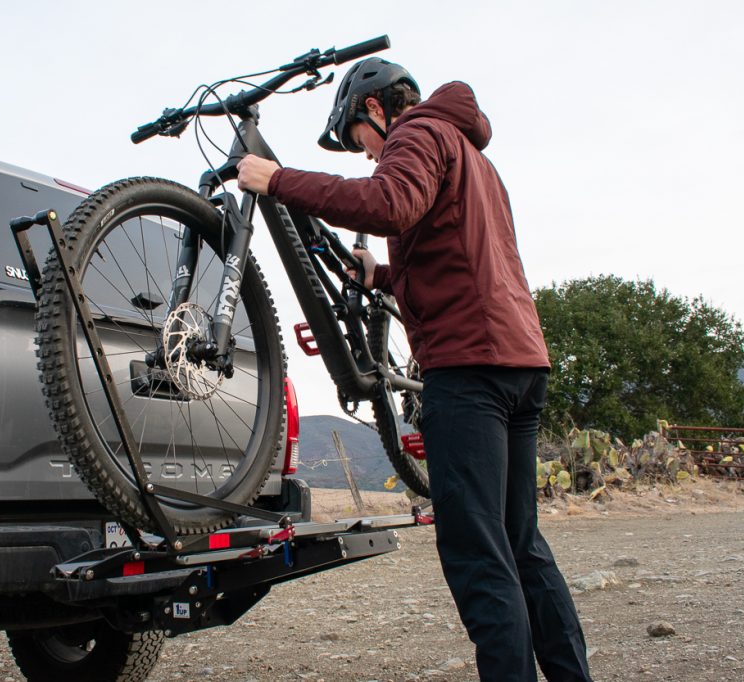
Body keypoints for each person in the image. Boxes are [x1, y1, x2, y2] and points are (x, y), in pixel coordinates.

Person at [238, 57, 592, 682]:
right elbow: (454, 252)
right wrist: (379, 275)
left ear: (374, 108)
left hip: (469, 370)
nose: (368, 157)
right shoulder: (474, 156)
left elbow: (389, 203)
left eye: (359, 141)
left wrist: (278, 179)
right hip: (518, 362)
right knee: (521, 545)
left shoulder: (417, 132)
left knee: (479, 554)